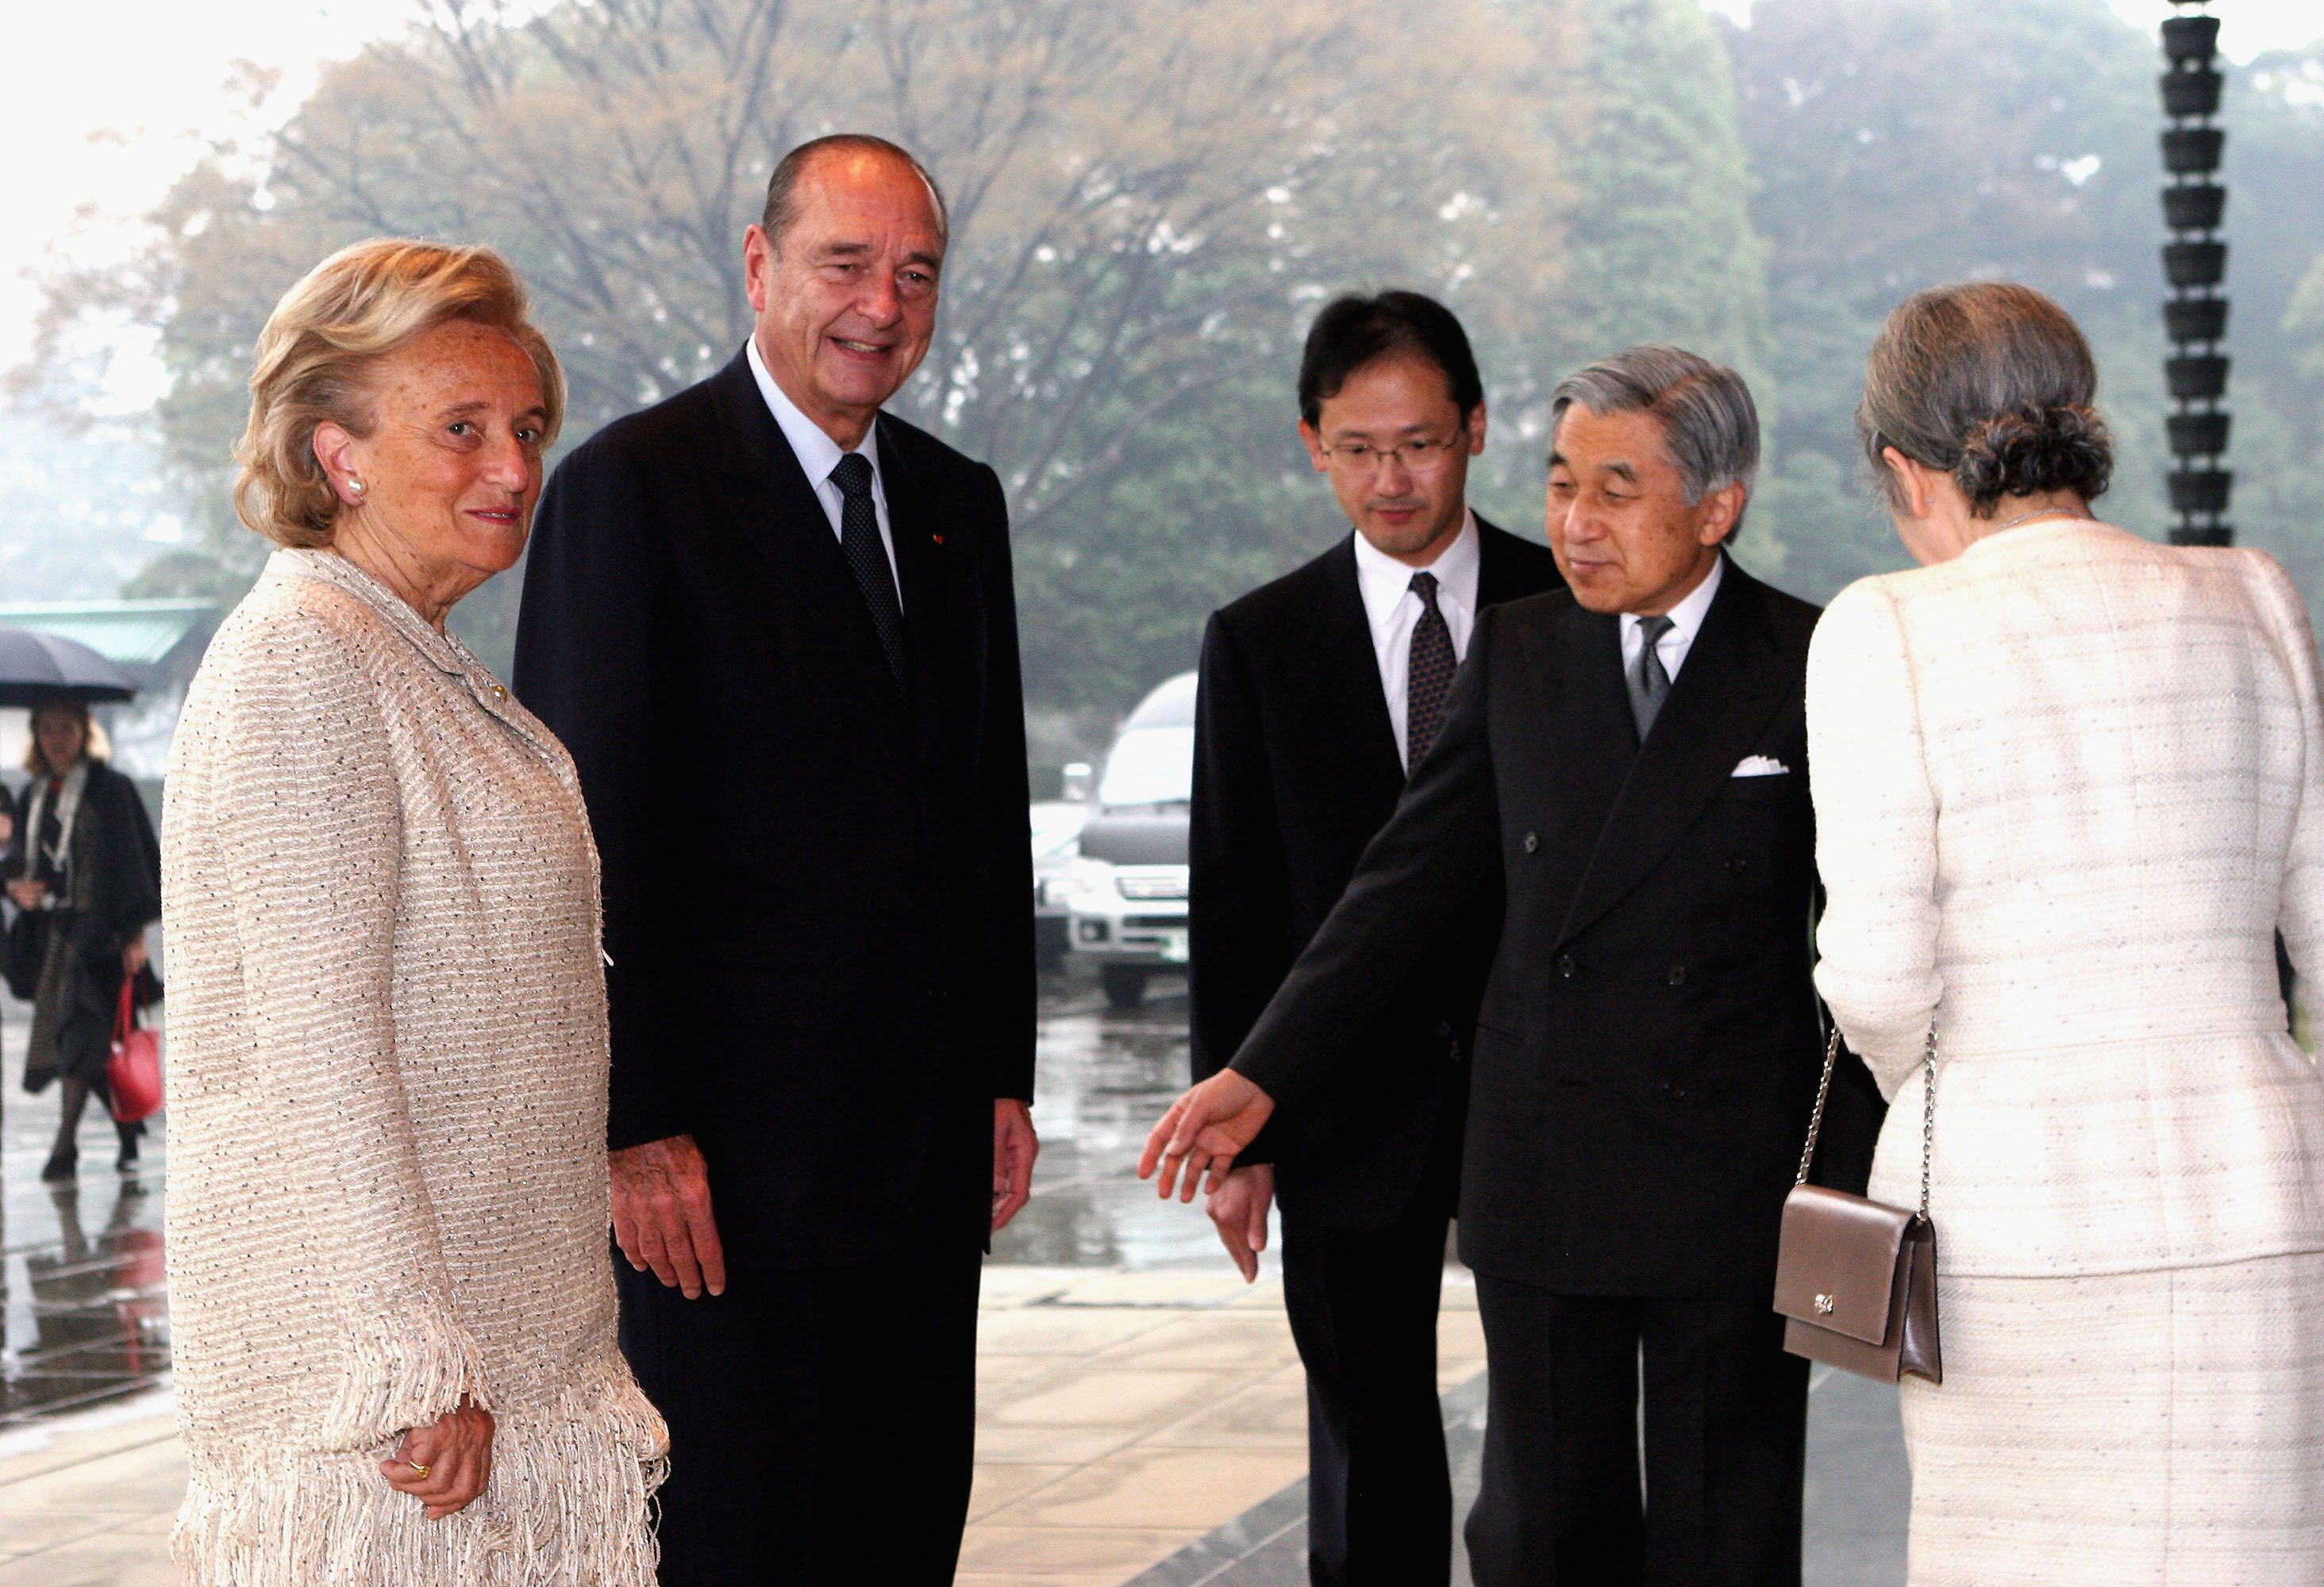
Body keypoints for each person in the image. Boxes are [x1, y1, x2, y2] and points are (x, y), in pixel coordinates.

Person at [1145, 346, 1880, 1586]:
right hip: (1548, 1153)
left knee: (1727, 1529)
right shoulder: (1525, 650)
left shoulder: (1811, 660)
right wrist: (1259, 1073)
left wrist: (1859, 1171)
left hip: (1732, 1171)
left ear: (1717, 507)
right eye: (1559, 485)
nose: (1574, 525)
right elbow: (1400, 889)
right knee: (1540, 1530)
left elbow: (1871, 938)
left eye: (1616, 489)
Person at [513, 133, 1037, 1585]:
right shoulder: (636, 490)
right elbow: (585, 842)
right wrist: (626, 1121)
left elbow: (984, 808)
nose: (882, 304)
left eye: (916, 274)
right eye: (845, 265)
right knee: (742, 1548)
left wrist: (1003, 1069)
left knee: (902, 1530)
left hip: (924, 1159)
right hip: (718, 1180)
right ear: (760, 266)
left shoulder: (956, 502)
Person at [1805, 280, 2324, 1585]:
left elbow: (1878, 976)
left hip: (2013, 1227)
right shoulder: (2254, 598)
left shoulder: (1884, 631)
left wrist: (1968, 1076)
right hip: (2261, 1212)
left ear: (1904, 467)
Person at [160, 238, 666, 1585]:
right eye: (462, 429)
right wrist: (413, 1356)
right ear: (341, 455)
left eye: (527, 429)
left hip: (504, 1381)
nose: (513, 468)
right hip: (398, 1432)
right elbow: (315, 1050)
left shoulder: (405, 657)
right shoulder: (302, 663)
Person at [1190, 289, 1562, 1585]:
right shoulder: (1259, 643)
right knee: (1367, 1450)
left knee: (1555, 1451)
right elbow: (1235, 902)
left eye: (1419, 443)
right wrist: (1245, 1131)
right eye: (1359, 448)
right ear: (1312, 444)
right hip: (1345, 1110)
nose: (1392, 478)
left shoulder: (1569, 604)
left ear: (1475, 430)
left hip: (1549, 1095)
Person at [3, 694, 159, 1179]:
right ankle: (126, 1127)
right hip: (56, 938)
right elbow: (24, 864)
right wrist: (15, 886)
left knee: (79, 1038)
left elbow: (137, 863)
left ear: (83, 731)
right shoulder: (34, 795)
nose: (58, 740)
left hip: (104, 940)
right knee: (81, 1041)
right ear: (37, 735)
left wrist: (136, 937)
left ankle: (64, 1148)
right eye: (48, 730)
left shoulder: (112, 790)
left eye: (66, 729)